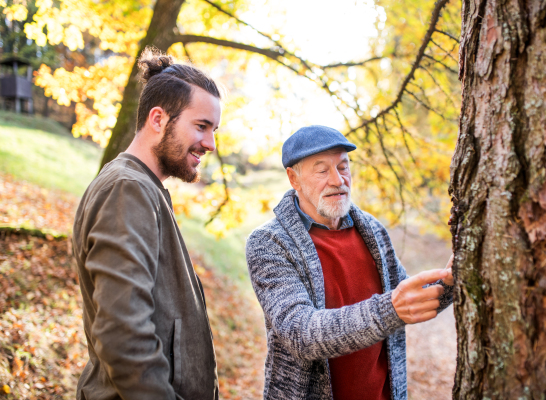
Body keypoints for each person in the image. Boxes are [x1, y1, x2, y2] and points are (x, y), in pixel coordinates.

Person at [246, 125, 454, 400]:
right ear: (293, 179)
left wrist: (451, 282)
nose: (337, 180)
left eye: (343, 167)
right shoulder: (269, 243)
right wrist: (390, 309)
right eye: (322, 170)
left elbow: (410, 300)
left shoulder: (372, 230)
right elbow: (300, 334)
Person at [72, 48, 222, 400]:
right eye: (201, 126)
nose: (211, 143)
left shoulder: (143, 189)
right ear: (158, 120)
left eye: (214, 129)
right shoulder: (127, 189)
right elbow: (123, 335)